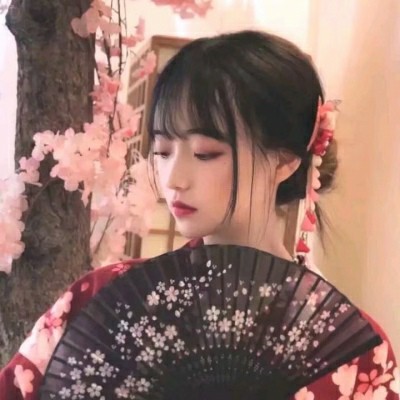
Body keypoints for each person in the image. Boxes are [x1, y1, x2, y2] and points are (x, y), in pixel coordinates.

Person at [0, 30, 398, 400]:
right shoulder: (101, 300)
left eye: (206, 153)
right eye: (162, 151)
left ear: (284, 161)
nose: (174, 178)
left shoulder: (353, 355)